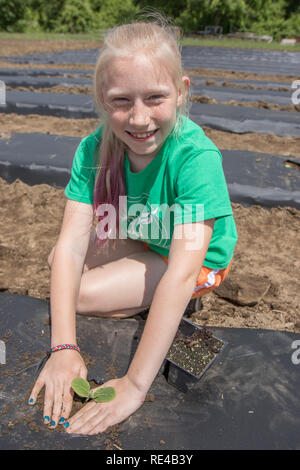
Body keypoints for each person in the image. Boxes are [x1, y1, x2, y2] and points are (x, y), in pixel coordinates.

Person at [29, 18, 238, 436]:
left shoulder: (196, 158)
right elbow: (69, 247)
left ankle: (155, 302)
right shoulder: (93, 149)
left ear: (181, 91)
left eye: (155, 98)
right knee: (58, 263)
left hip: (191, 261)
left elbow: (180, 274)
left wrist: (135, 384)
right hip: (144, 233)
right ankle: (138, 292)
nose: (139, 118)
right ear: (102, 100)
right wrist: (64, 348)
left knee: (82, 292)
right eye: (122, 100)